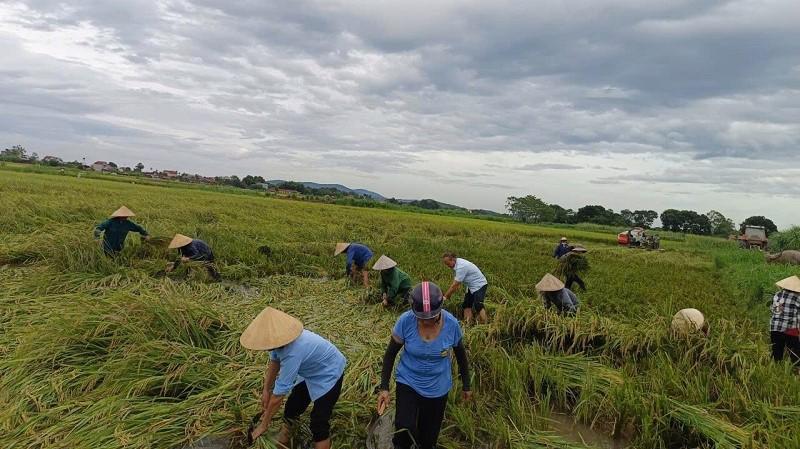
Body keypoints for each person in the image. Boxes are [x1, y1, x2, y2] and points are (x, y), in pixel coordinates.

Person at [376, 282, 472, 449]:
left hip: (438, 387)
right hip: (408, 381)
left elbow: (461, 356)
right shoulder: (405, 322)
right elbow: (390, 354)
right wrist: (384, 387)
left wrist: (466, 385)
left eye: (432, 318)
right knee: (404, 427)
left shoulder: (451, 325)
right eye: (422, 318)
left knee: (428, 438)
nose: (426, 322)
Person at [241, 307, 346, 449]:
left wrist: (263, 425)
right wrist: (266, 390)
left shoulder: (293, 353)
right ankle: (284, 440)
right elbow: (275, 361)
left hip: (330, 372)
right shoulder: (278, 342)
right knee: (292, 407)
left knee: (318, 423)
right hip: (311, 369)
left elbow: (278, 396)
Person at [442, 252, 489, 324]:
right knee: (466, 305)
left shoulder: (461, 266)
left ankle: (486, 325)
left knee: (478, 305)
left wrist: (445, 296)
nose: (448, 266)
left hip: (480, 285)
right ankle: (467, 324)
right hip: (471, 286)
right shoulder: (458, 263)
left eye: (448, 264)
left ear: (453, 260)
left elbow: (455, 285)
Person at [770, 276, 800, 365]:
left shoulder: (777, 295)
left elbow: (773, 310)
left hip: (774, 327)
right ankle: (796, 371)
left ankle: (777, 371)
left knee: (777, 353)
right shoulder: (797, 298)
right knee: (795, 355)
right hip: (790, 329)